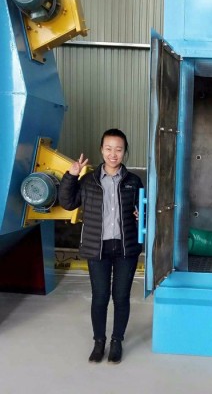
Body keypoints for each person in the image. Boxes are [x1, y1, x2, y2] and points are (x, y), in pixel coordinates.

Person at [58, 128, 143, 364]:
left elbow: (144, 209)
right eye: (108, 148)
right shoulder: (88, 181)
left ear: (125, 152)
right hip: (98, 248)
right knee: (100, 297)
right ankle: (99, 341)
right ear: (101, 150)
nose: (113, 154)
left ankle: (117, 341)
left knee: (121, 297)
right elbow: (67, 202)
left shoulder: (134, 181)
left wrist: (141, 215)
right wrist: (71, 176)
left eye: (118, 149)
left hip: (126, 248)